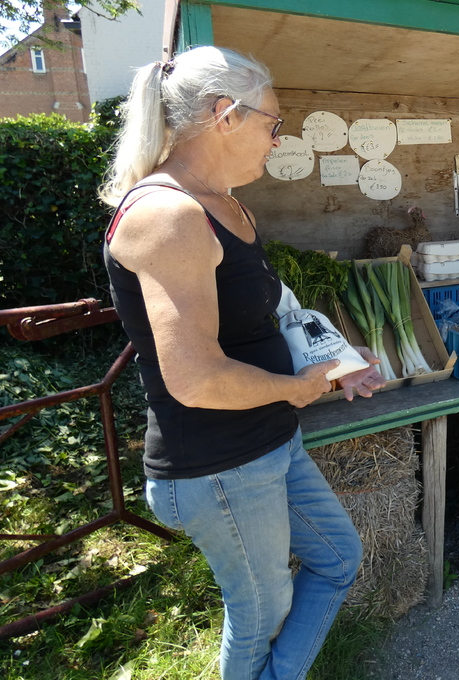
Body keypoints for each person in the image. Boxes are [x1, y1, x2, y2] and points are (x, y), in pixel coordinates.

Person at [100, 46, 385, 680]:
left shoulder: (227, 204)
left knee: (337, 556)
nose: (277, 138)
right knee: (261, 611)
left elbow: (268, 318)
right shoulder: (169, 215)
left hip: (268, 441)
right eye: (272, 123)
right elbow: (196, 377)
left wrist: (333, 361)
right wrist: (295, 387)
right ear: (223, 114)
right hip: (216, 464)